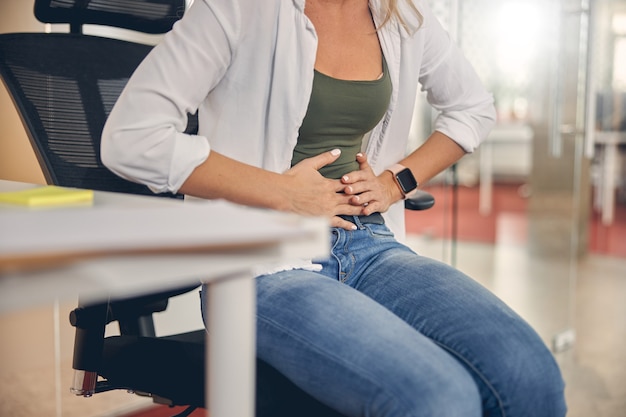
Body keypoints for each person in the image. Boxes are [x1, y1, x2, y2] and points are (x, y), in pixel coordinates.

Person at [101, 0, 567, 415]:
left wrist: (395, 181)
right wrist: (281, 192)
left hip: (369, 247)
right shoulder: (236, 9)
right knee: (437, 397)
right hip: (259, 265)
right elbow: (132, 138)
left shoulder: (401, 13)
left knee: (530, 375)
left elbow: (473, 108)